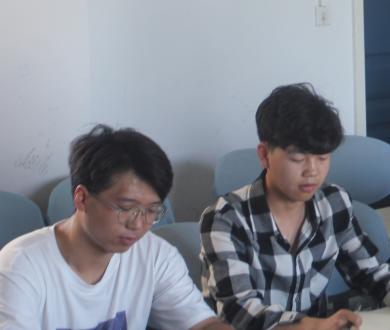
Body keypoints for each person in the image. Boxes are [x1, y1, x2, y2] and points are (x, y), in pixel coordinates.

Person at [201, 84, 390, 328]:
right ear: (264, 155)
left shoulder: (333, 203)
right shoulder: (225, 218)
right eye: (297, 159)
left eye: (322, 157)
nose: (312, 171)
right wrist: (314, 326)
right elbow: (239, 312)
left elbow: (369, 272)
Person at [0, 125, 228, 330]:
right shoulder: (21, 266)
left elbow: (203, 324)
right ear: (82, 198)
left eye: (152, 211)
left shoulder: (156, 256)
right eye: (125, 208)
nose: (138, 224)